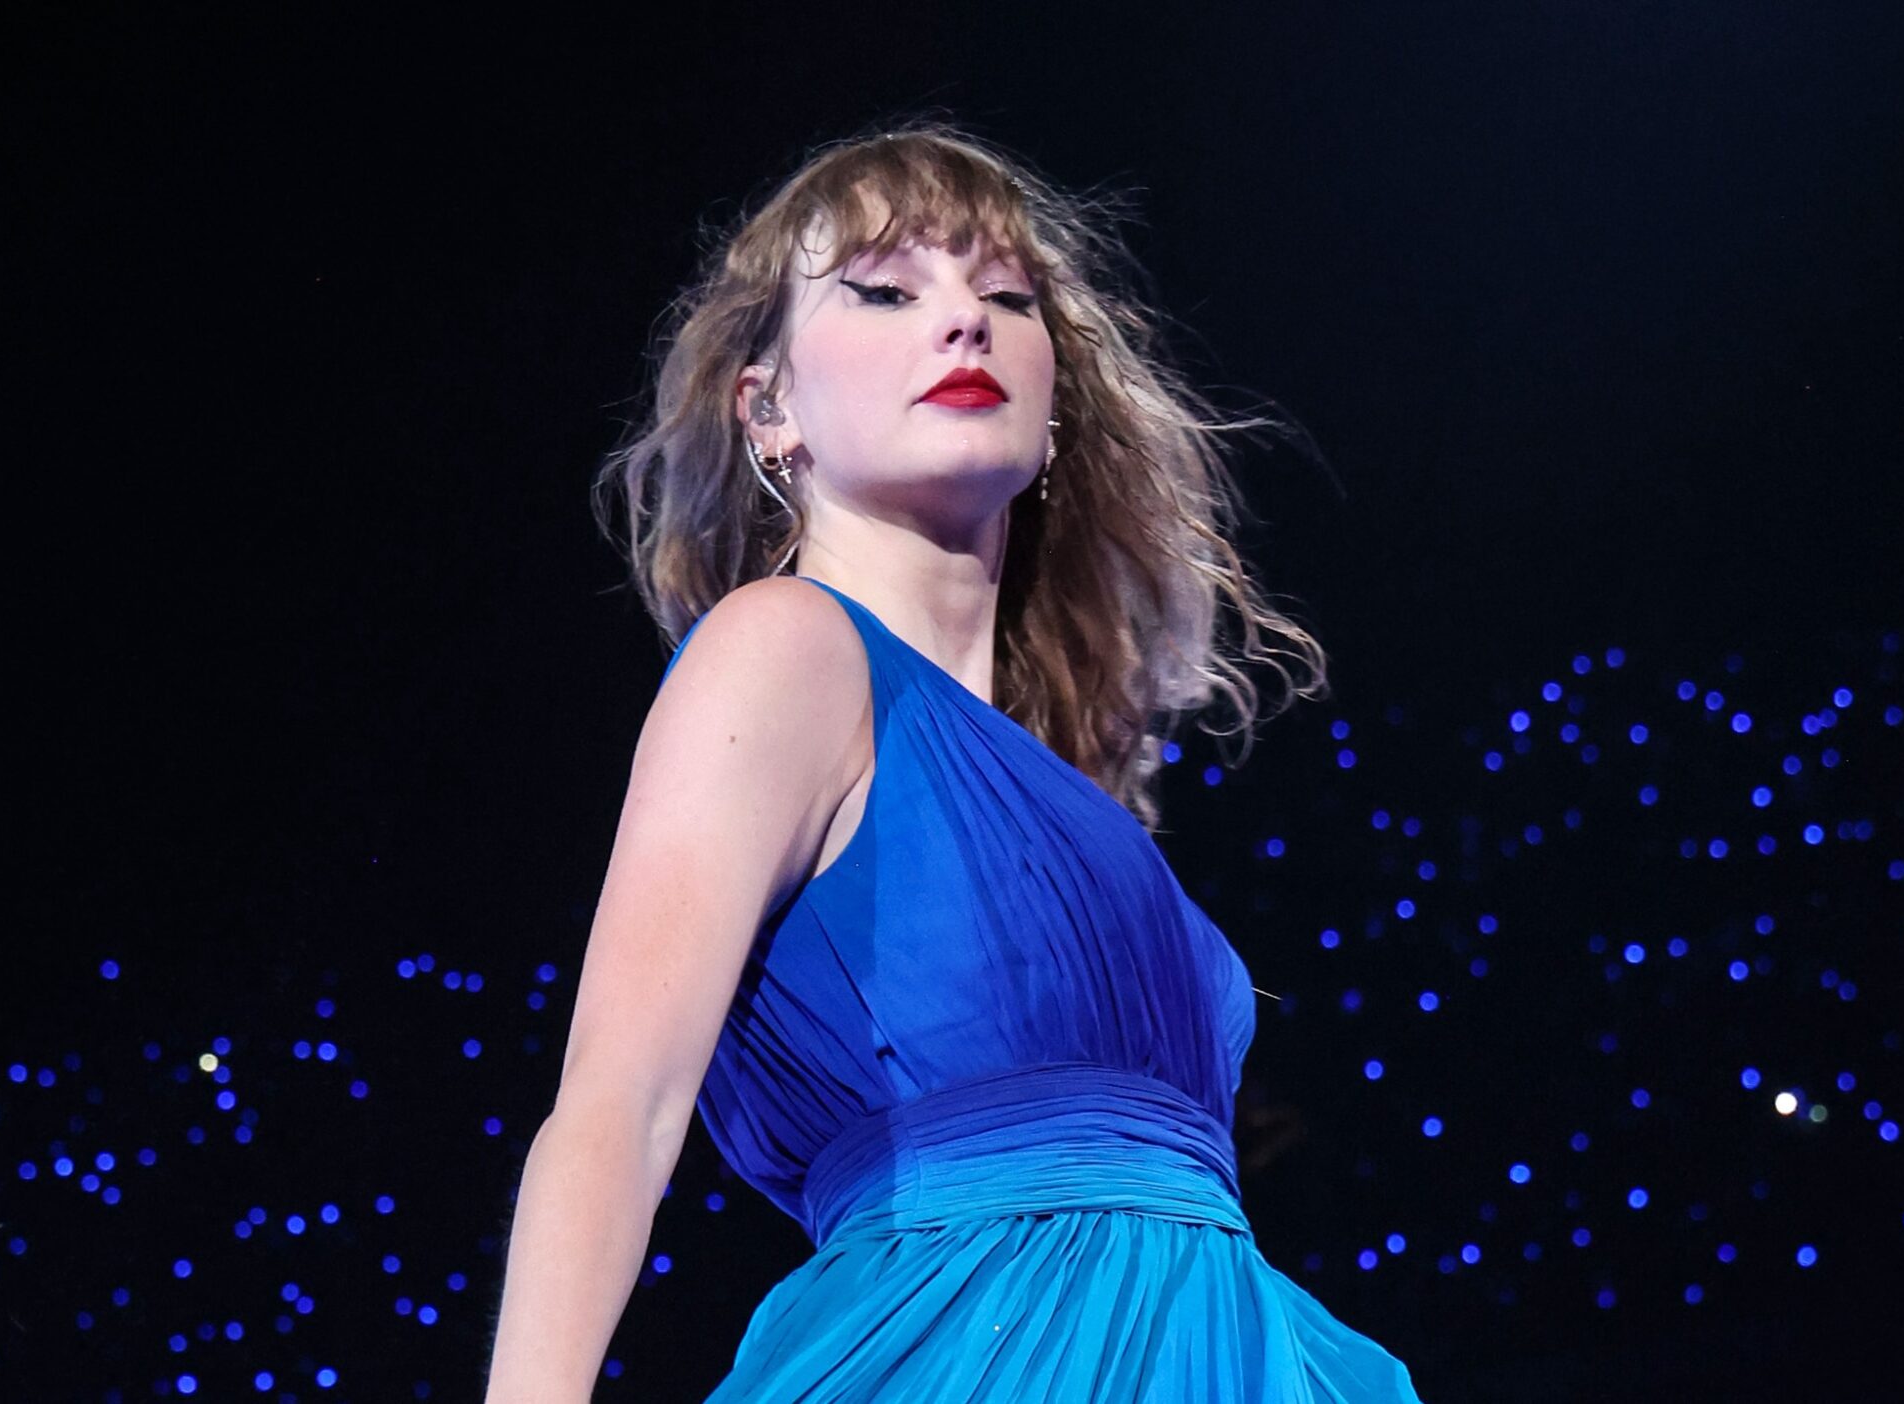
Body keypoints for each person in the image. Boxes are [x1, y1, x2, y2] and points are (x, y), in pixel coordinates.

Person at [484, 120, 1427, 1402]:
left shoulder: (1067, 794)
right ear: (769, 411)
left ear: (1054, 407)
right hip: (962, 1346)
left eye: (1006, 298)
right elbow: (620, 1099)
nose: (964, 322)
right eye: (883, 291)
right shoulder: (784, 647)